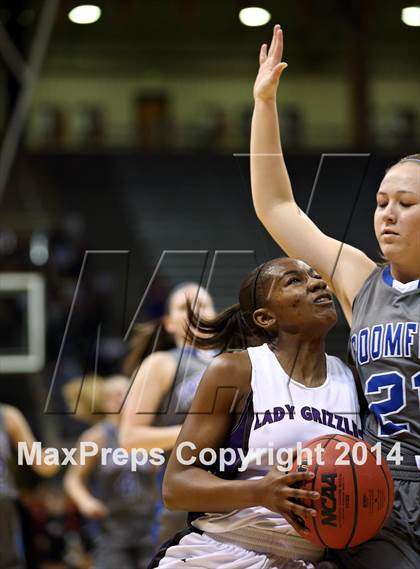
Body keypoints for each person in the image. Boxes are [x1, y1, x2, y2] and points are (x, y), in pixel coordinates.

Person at [250, 25, 420, 568]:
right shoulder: (360, 278)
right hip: (378, 494)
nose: (387, 215)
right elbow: (277, 207)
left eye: (406, 203)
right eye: (380, 201)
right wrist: (264, 104)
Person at [149, 258, 360, 569]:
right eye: (294, 281)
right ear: (265, 317)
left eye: (316, 276)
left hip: (308, 558)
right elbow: (176, 486)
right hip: (224, 550)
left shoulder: (352, 379)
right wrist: (259, 491)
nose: (317, 283)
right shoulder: (236, 370)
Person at [120, 283, 216, 545]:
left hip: (238, 501)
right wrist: (201, 435)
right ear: (169, 323)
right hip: (184, 502)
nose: (196, 310)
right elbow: (129, 437)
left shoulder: (238, 360)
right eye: (184, 307)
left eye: (204, 304)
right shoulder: (160, 363)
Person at [63, 374, 155, 569]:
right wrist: (86, 502)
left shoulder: (149, 434)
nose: (122, 398)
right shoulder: (96, 437)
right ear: (104, 402)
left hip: (149, 525)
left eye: (127, 393)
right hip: (111, 527)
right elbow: (73, 479)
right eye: (116, 394)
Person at [0, 403, 59, 569]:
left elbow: (37, 460)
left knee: (8, 561)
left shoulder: (7, 415)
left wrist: (48, 462)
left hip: (2, 498)